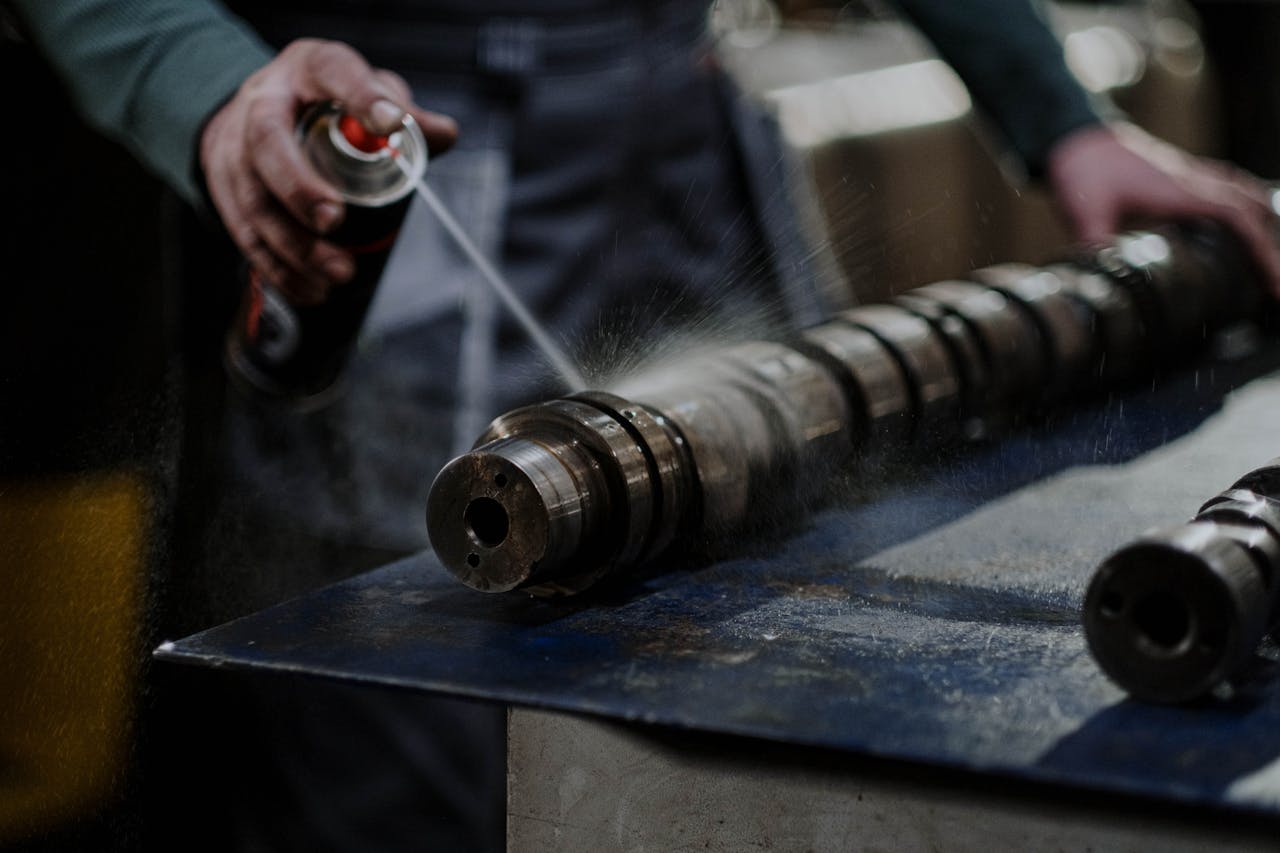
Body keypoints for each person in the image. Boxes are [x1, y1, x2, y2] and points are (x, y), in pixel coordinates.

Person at [9, 1, 1280, 851]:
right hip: (405, 125)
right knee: (435, 671)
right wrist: (205, 87)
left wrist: (1052, 113)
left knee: (796, 608)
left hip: (681, 107)